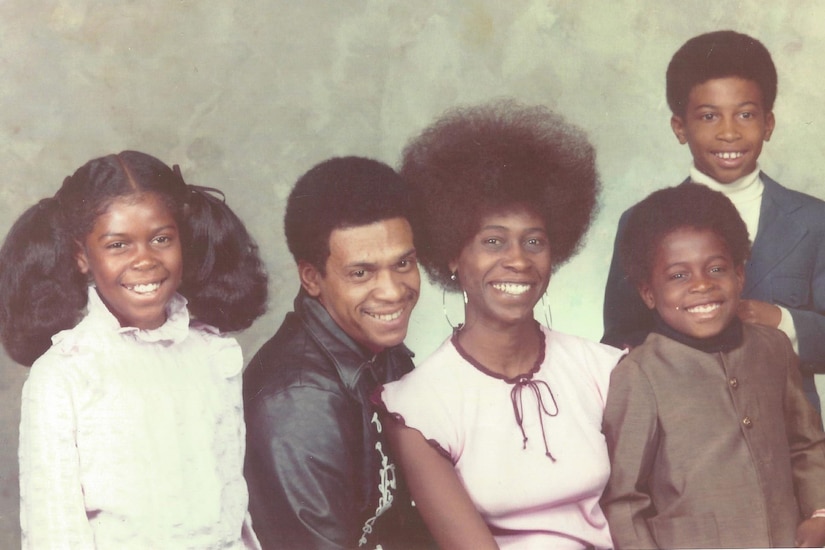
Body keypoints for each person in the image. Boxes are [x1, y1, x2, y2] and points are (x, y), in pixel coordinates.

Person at [373, 100, 626, 550]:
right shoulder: (417, 407)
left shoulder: (605, 371)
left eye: (534, 241)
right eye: (493, 241)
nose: (517, 260)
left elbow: (644, 512)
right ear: (452, 254)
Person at [0, 151, 269, 548]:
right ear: (81, 256)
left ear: (184, 239)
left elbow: (230, 505)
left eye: (161, 239)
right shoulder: (66, 373)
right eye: (118, 245)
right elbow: (53, 531)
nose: (145, 259)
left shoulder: (211, 353)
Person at [601, 30, 825, 411]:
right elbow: (620, 341)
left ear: (768, 124)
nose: (728, 132)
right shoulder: (641, 221)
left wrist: (780, 320)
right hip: (684, 434)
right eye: (708, 116)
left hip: (787, 443)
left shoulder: (815, 221)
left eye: (745, 114)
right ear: (679, 127)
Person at [601, 183, 825, 548]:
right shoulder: (639, 374)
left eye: (716, 268)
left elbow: (807, 444)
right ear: (648, 293)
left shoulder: (774, 348)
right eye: (678, 275)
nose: (702, 285)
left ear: (740, 275)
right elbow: (624, 501)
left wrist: (820, 513)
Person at [243, 156, 432, 549]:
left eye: (403, 263)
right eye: (361, 273)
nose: (393, 290)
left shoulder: (383, 351)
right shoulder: (299, 400)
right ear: (312, 277)